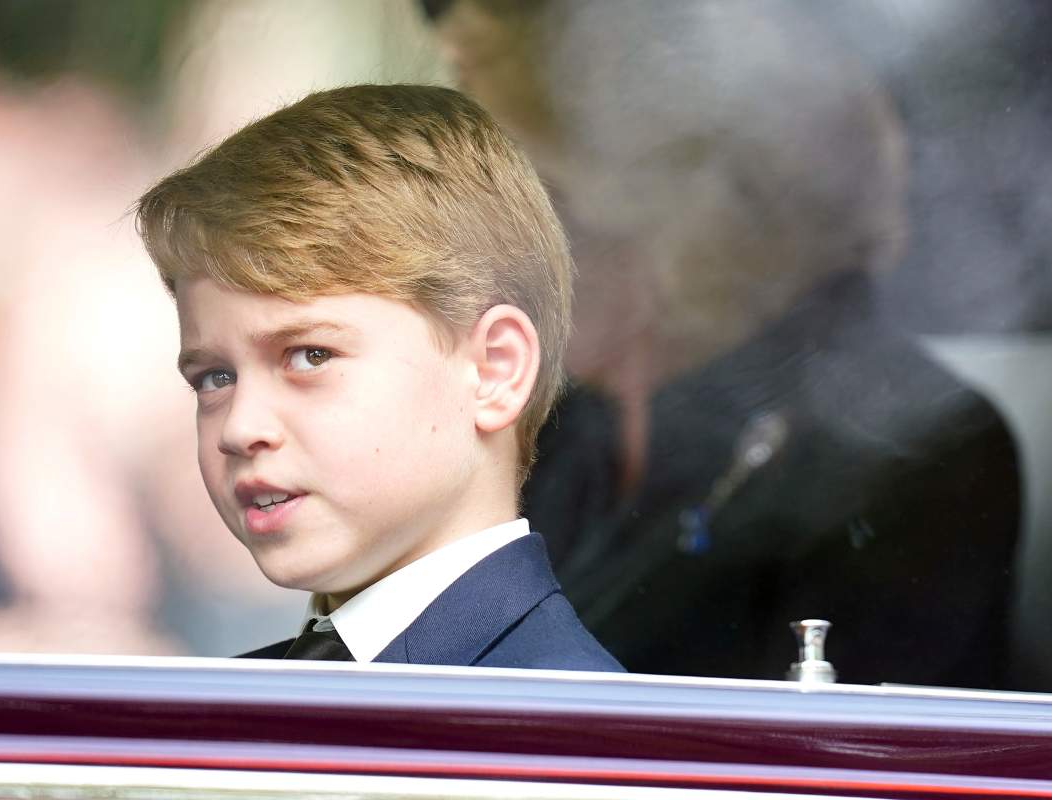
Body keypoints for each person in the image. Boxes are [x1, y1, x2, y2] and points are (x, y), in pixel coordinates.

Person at [425, 0, 1023, 688]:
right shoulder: (551, 426)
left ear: (686, 204)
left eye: (549, 202)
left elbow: (850, 772)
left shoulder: (907, 449)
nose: (506, 260)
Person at [134, 84, 623, 671]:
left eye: (309, 356)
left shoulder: (556, 735)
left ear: (495, 370)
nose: (239, 427)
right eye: (214, 378)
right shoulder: (247, 695)